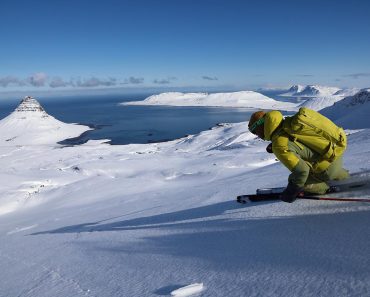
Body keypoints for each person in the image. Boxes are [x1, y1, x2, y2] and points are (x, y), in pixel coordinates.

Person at [248, 110, 349, 203]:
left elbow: (302, 171)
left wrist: (291, 191)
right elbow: (296, 141)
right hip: (334, 155)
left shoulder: (279, 145)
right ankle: (344, 177)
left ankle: (325, 188)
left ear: (261, 126)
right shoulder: (288, 123)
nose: (256, 135)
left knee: (300, 181)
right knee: (326, 167)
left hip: (325, 170)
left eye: (255, 131)